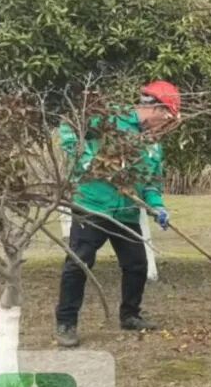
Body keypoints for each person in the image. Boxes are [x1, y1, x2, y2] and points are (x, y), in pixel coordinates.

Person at [54, 80, 181, 347]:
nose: (167, 124)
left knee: (137, 265)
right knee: (79, 263)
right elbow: (69, 126)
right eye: (168, 117)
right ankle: (66, 323)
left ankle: (130, 315)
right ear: (156, 108)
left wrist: (157, 205)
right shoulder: (112, 117)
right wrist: (86, 161)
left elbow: (151, 182)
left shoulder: (152, 143)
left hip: (126, 212)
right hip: (92, 206)